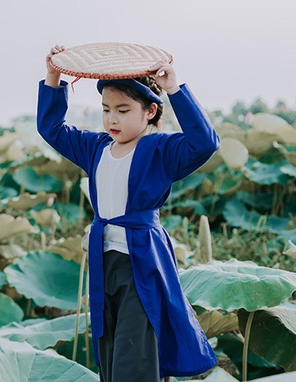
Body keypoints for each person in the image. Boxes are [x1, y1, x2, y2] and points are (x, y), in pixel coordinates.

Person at [37, 45, 219, 382]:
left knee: (135, 352)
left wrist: (174, 89)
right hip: (104, 262)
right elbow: (52, 130)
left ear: (149, 112)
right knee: (108, 347)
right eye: (106, 110)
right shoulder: (95, 148)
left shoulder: (159, 149)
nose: (112, 119)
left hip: (142, 262)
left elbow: (205, 142)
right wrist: (53, 76)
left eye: (122, 110)